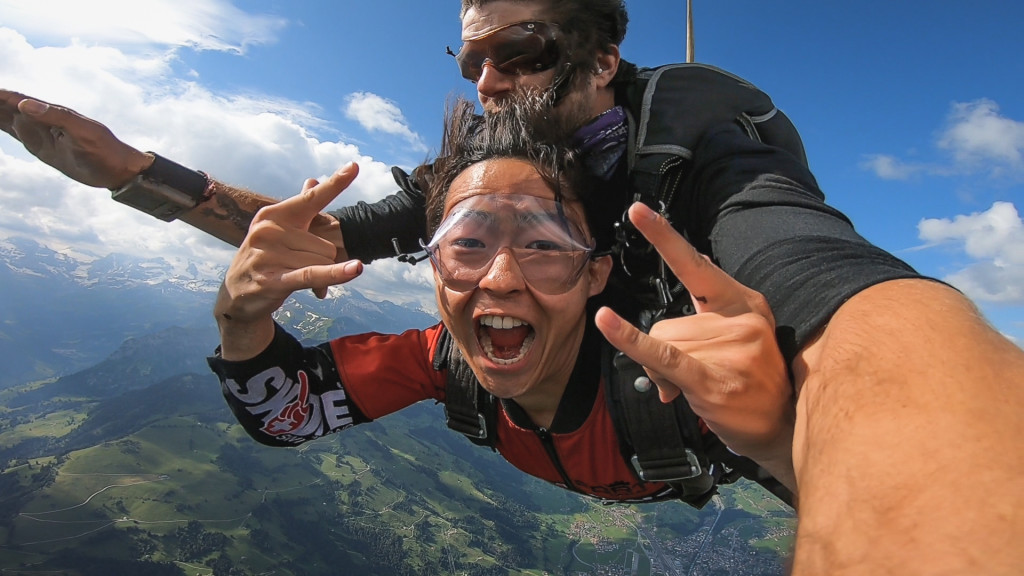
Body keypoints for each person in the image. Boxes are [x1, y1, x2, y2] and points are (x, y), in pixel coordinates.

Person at [1, 0, 1022, 572]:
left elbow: (839, 295)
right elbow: (296, 241)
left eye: (515, 51)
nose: (482, 81)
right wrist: (135, 173)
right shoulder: (465, 254)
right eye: (469, 57)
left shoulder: (708, 169)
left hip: (681, 400)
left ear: (604, 57)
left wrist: (776, 430)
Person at [210, 97, 793, 505]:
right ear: (434, 268)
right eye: (467, 243)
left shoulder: (679, 380)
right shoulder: (445, 362)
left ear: (595, 274)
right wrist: (239, 321)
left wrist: (781, 435)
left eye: (543, 243)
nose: (502, 278)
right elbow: (288, 417)